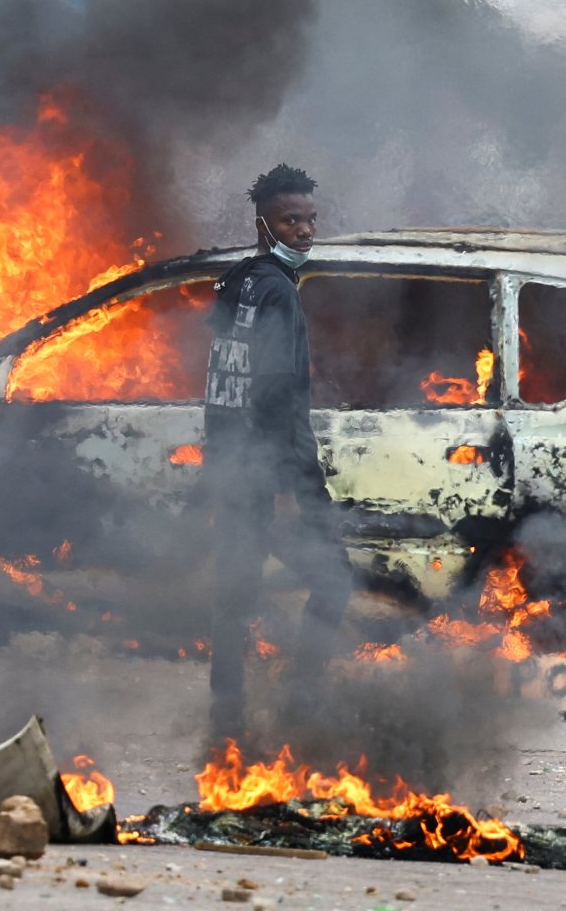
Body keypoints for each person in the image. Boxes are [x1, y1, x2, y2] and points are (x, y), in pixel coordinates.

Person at [202, 163, 351, 740]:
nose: (306, 231)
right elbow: (275, 394)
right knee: (334, 581)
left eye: (311, 220)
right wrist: (288, 490)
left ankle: (226, 710)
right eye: (292, 221)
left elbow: (220, 380)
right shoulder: (280, 294)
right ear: (264, 224)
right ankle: (303, 703)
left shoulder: (234, 282)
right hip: (272, 473)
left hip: (233, 469)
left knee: (235, 589)